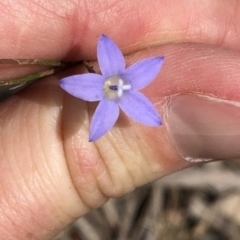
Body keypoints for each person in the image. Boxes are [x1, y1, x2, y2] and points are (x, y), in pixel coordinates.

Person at [0, 0, 240, 239]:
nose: (115, 85)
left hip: (112, 93)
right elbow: (95, 54)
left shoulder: (131, 89)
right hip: (98, 86)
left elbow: (149, 104)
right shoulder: (101, 67)